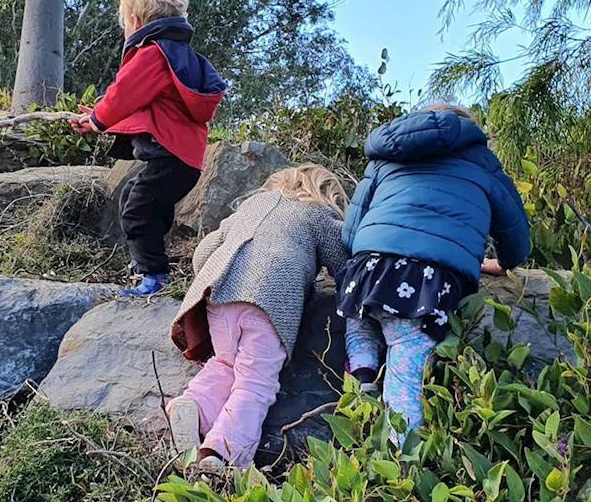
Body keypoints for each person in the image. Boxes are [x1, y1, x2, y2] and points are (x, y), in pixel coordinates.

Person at [338, 104, 531, 445]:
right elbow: (514, 230)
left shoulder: (386, 154)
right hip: (427, 276)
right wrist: (505, 261)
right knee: (407, 347)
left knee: (360, 311)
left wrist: (366, 251)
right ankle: (402, 452)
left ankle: (363, 372)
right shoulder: (483, 162)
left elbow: (350, 232)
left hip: (369, 264)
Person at [165, 165, 350, 468]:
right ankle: (222, 452)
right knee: (255, 381)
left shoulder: (253, 205)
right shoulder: (317, 213)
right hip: (270, 297)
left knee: (226, 362)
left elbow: (205, 250)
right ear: (327, 194)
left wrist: (209, 280)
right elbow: (342, 262)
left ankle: (194, 406)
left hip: (220, 290)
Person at [70, 0, 226, 297]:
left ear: (136, 20)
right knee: (138, 200)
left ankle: (154, 275)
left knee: (137, 207)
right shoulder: (176, 56)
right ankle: (147, 261)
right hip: (182, 159)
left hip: (171, 157)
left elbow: (124, 94)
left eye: (124, 22)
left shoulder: (153, 53)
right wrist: (99, 120)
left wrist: (99, 118)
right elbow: (144, 109)